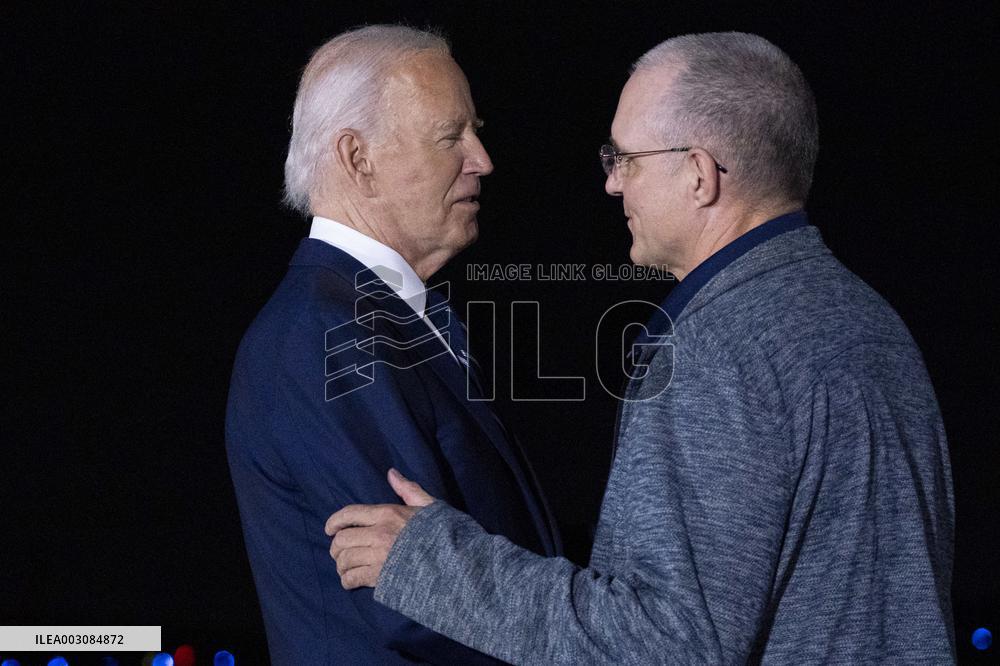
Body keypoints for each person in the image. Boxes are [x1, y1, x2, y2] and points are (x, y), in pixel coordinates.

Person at [325, 32, 956, 664]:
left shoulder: (715, 349)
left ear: (700, 175)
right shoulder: (871, 322)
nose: (612, 184)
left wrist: (436, 566)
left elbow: (663, 644)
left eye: (625, 158)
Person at [225, 25, 559, 665]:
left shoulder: (379, 314)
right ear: (358, 158)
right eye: (451, 136)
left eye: (475, 131)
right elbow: (415, 600)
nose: (482, 159)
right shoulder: (322, 332)